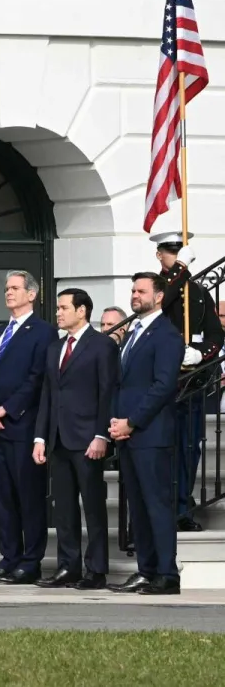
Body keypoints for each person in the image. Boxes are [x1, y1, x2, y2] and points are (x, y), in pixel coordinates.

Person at [33, 287, 116, 590]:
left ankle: (96, 570)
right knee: (64, 509)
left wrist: (101, 435)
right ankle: (68, 567)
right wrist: (40, 437)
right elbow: (47, 394)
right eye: (58, 308)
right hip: (58, 439)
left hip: (87, 439)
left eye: (64, 308)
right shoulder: (54, 348)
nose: (58, 313)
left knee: (93, 508)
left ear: (82, 311)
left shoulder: (101, 345)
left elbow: (107, 392)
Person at [108, 272, 184, 595]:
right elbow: (123, 382)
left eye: (141, 290)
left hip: (151, 435)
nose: (134, 295)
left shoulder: (166, 335)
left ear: (158, 296)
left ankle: (167, 574)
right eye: (133, 290)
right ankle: (146, 569)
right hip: (127, 435)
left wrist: (132, 421)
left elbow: (163, 386)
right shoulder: (131, 334)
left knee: (156, 505)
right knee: (137, 507)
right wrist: (116, 421)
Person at [0, 271, 51, 585]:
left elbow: (36, 380)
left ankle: (30, 562)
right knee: (1, 499)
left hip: (22, 426)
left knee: (28, 498)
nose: (8, 293)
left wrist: (4, 410)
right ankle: (8, 558)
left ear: (31, 294)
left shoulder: (43, 332)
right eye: (6, 288)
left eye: (15, 288)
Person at [149, 231, 224, 532]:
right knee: (163, 447)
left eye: (180, 252)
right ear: (159, 255)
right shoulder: (152, 287)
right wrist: (180, 268)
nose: (177, 256)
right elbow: (161, 302)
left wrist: (201, 354)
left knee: (189, 447)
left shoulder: (198, 292)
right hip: (161, 381)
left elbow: (216, 336)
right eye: (171, 252)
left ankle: (181, 506)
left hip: (191, 381)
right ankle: (162, 505)